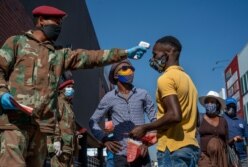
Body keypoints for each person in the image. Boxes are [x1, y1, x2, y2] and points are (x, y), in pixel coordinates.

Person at [0, 5, 148, 167]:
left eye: (60, 24)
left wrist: (125, 53)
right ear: (41, 20)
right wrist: (2, 92)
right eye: (55, 22)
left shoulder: (58, 54)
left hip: (42, 128)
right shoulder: (17, 43)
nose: (58, 27)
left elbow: (90, 57)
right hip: (14, 123)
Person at [129, 35, 200, 167]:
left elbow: (174, 115)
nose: (153, 59)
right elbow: (197, 120)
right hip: (191, 148)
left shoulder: (165, 78)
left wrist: (145, 127)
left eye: (155, 54)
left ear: (168, 53)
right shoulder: (189, 81)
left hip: (173, 149)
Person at [89, 59, 156, 167]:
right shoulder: (109, 97)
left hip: (141, 154)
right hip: (120, 156)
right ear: (116, 75)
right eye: (125, 69)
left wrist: (148, 142)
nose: (130, 71)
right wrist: (104, 139)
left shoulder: (143, 94)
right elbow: (93, 121)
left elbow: (154, 120)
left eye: (132, 69)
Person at [47, 71, 76, 167]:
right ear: (61, 89)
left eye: (72, 88)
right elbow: (54, 120)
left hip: (68, 148)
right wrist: (56, 140)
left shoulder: (68, 105)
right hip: (61, 147)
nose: (70, 89)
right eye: (68, 87)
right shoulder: (59, 102)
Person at [198, 90, 228, 167]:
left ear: (217, 104)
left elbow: (226, 140)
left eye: (212, 102)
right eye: (207, 102)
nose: (209, 104)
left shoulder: (223, 121)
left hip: (221, 158)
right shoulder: (200, 119)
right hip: (205, 158)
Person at [224, 97, 248, 167]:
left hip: (243, 157)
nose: (231, 108)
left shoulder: (242, 120)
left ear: (236, 107)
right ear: (225, 107)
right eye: (229, 106)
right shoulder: (222, 120)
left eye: (233, 106)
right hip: (228, 157)